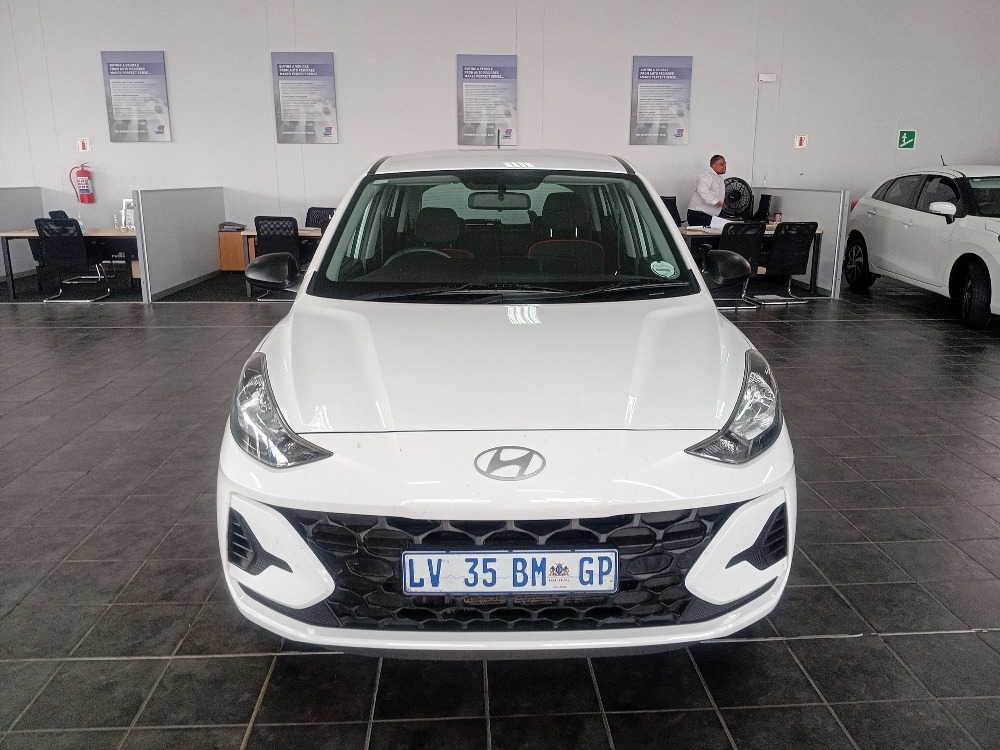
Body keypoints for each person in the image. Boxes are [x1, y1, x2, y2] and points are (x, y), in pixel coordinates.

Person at [686, 155, 727, 226]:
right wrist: (715, 202)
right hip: (698, 214)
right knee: (723, 227)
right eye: (722, 164)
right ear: (713, 165)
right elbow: (701, 190)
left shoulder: (720, 178)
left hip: (709, 215)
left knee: (726, 226)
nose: (725, 166)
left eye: (725, 164)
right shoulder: (706, 176)